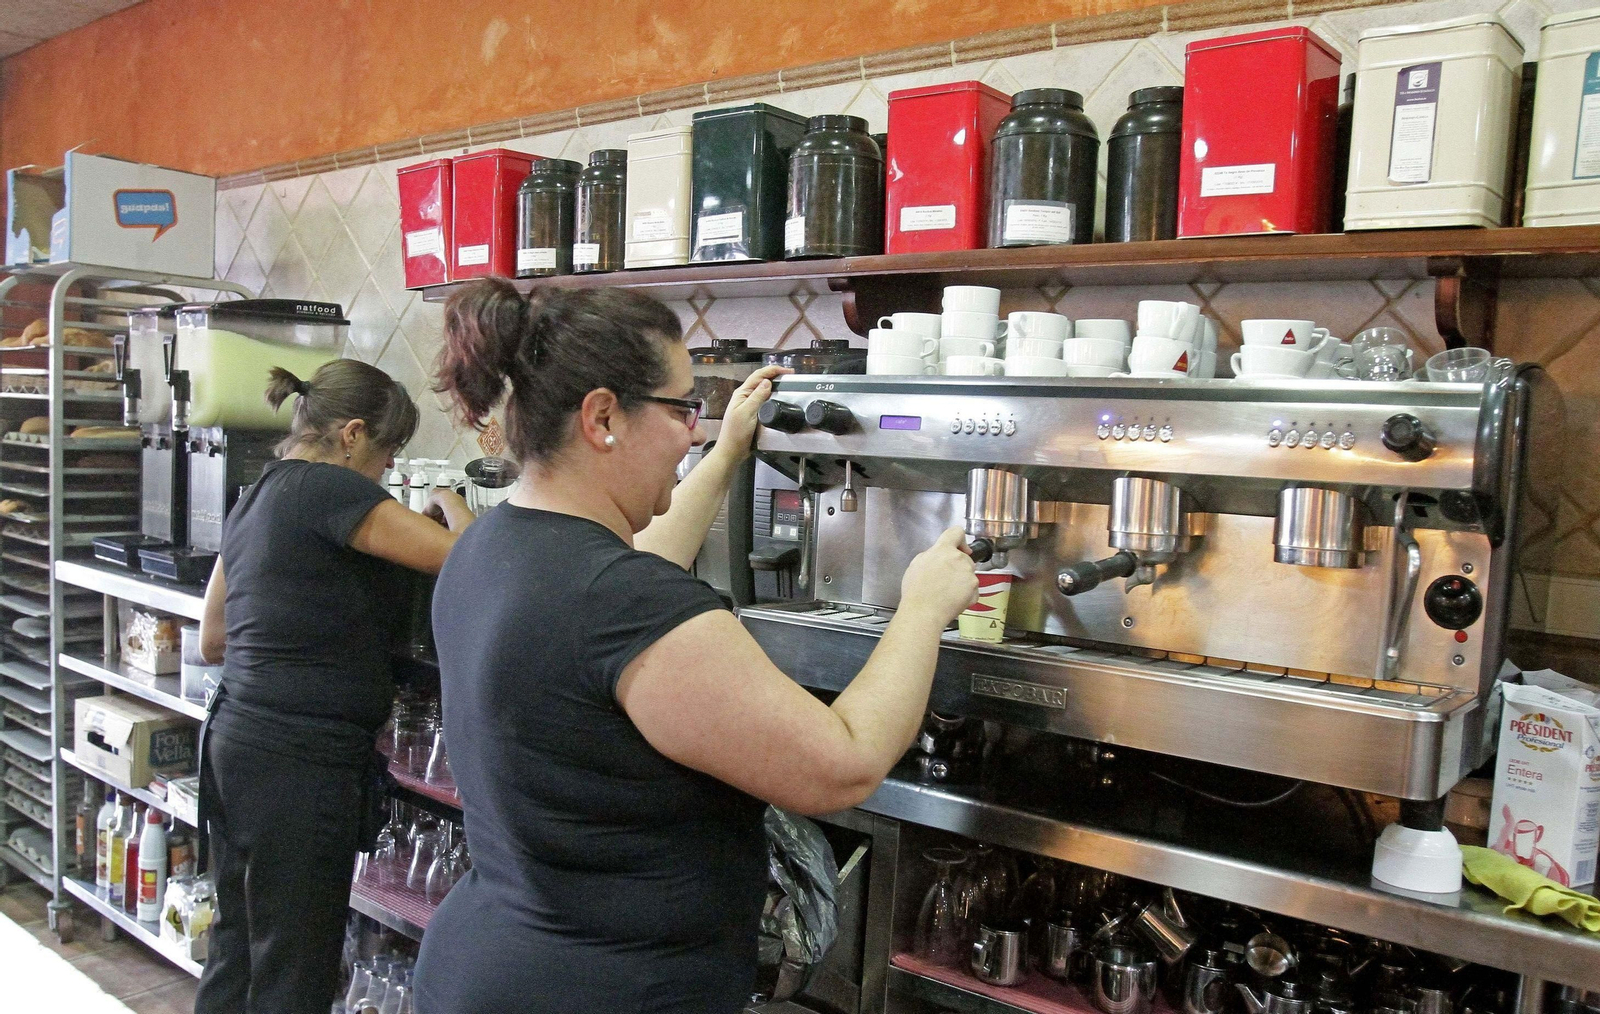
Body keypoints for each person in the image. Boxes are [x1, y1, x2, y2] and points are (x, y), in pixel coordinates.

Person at [413, 280, 978, 1014]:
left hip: (492, 961)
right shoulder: (626, 605)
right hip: (607, 992)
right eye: (683, 409)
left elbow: (638, 563)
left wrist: (725, 457)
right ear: (603, 417)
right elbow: (842, 765)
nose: (693, 430)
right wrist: (923, 606)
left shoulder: (490, 545)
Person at [194, 359, 476, 1014]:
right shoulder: (331, 490)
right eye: (386, 455)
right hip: (298, 762)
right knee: (297, 964)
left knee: (239, 944)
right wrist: (453, 507)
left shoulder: (256, 496)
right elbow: (470, 559)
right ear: (352, 435)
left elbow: (213, 637)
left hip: (235, 740)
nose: (382, 474)